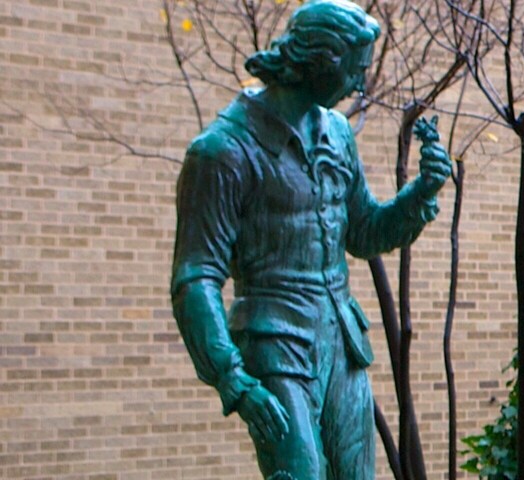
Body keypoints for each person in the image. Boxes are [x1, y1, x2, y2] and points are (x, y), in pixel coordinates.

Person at [168, 1, 449, 478]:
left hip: (340, 338)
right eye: (356, 70)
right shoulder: (222, 152)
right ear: (323, 61)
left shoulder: (338, 134)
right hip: (274, 339)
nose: (361, 84)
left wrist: (418, 194)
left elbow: (362, 232)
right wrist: (232, 379)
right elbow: (195, 276)